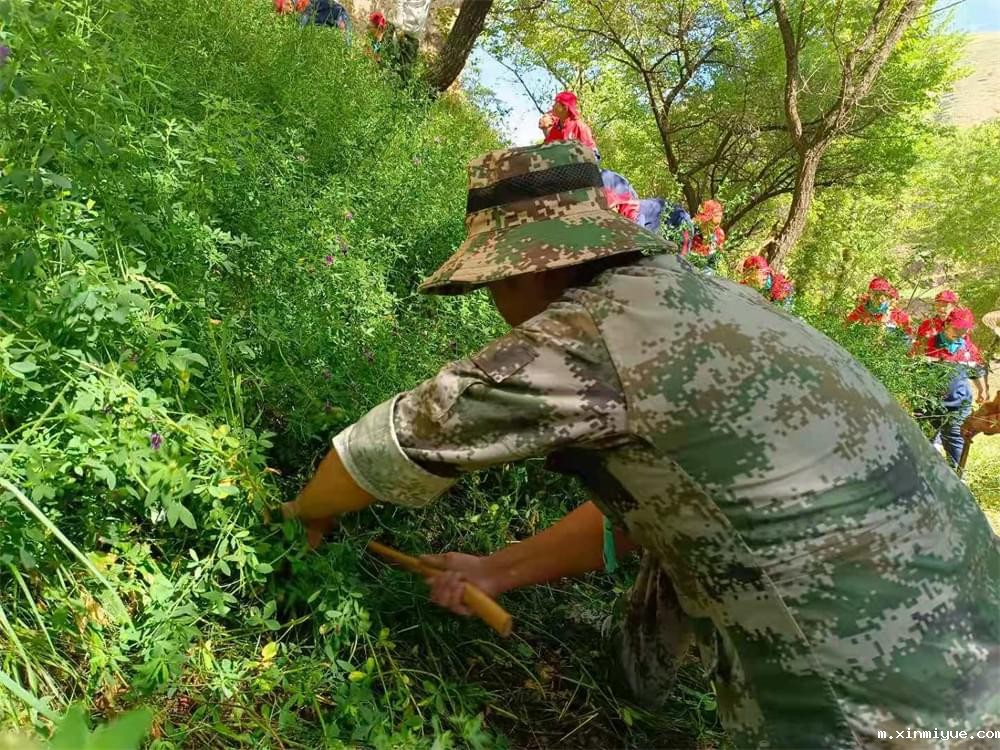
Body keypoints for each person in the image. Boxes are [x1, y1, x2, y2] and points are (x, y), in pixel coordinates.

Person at [282, 141, 998, 748]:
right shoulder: (706, 300)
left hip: (874, 689)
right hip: (974, 631)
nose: (496, 304)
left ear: (533, 267)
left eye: (493, 282)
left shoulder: (591, 333)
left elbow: (394, 441)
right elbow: (670, 498)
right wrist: (497, 570)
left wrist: (299, 517)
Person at [911, 307, 983, 468]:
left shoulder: (969, 349)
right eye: (957, 328)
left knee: (955, 438)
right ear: (946, 324)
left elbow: (976, 372)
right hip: (930, 403)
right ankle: (922, 470)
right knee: (924, 438)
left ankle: (957, 474)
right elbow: (913, 369)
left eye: (964, 329)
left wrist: (981, 391)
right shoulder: (928, 344)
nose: (960, 332)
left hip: (959, 404)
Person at [539, 91, 599, 161]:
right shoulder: (555, 128)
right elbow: (547, 149)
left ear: (565, 108)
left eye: (556, 103)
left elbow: (594, 155)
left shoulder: (579, 127)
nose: (553, 106)